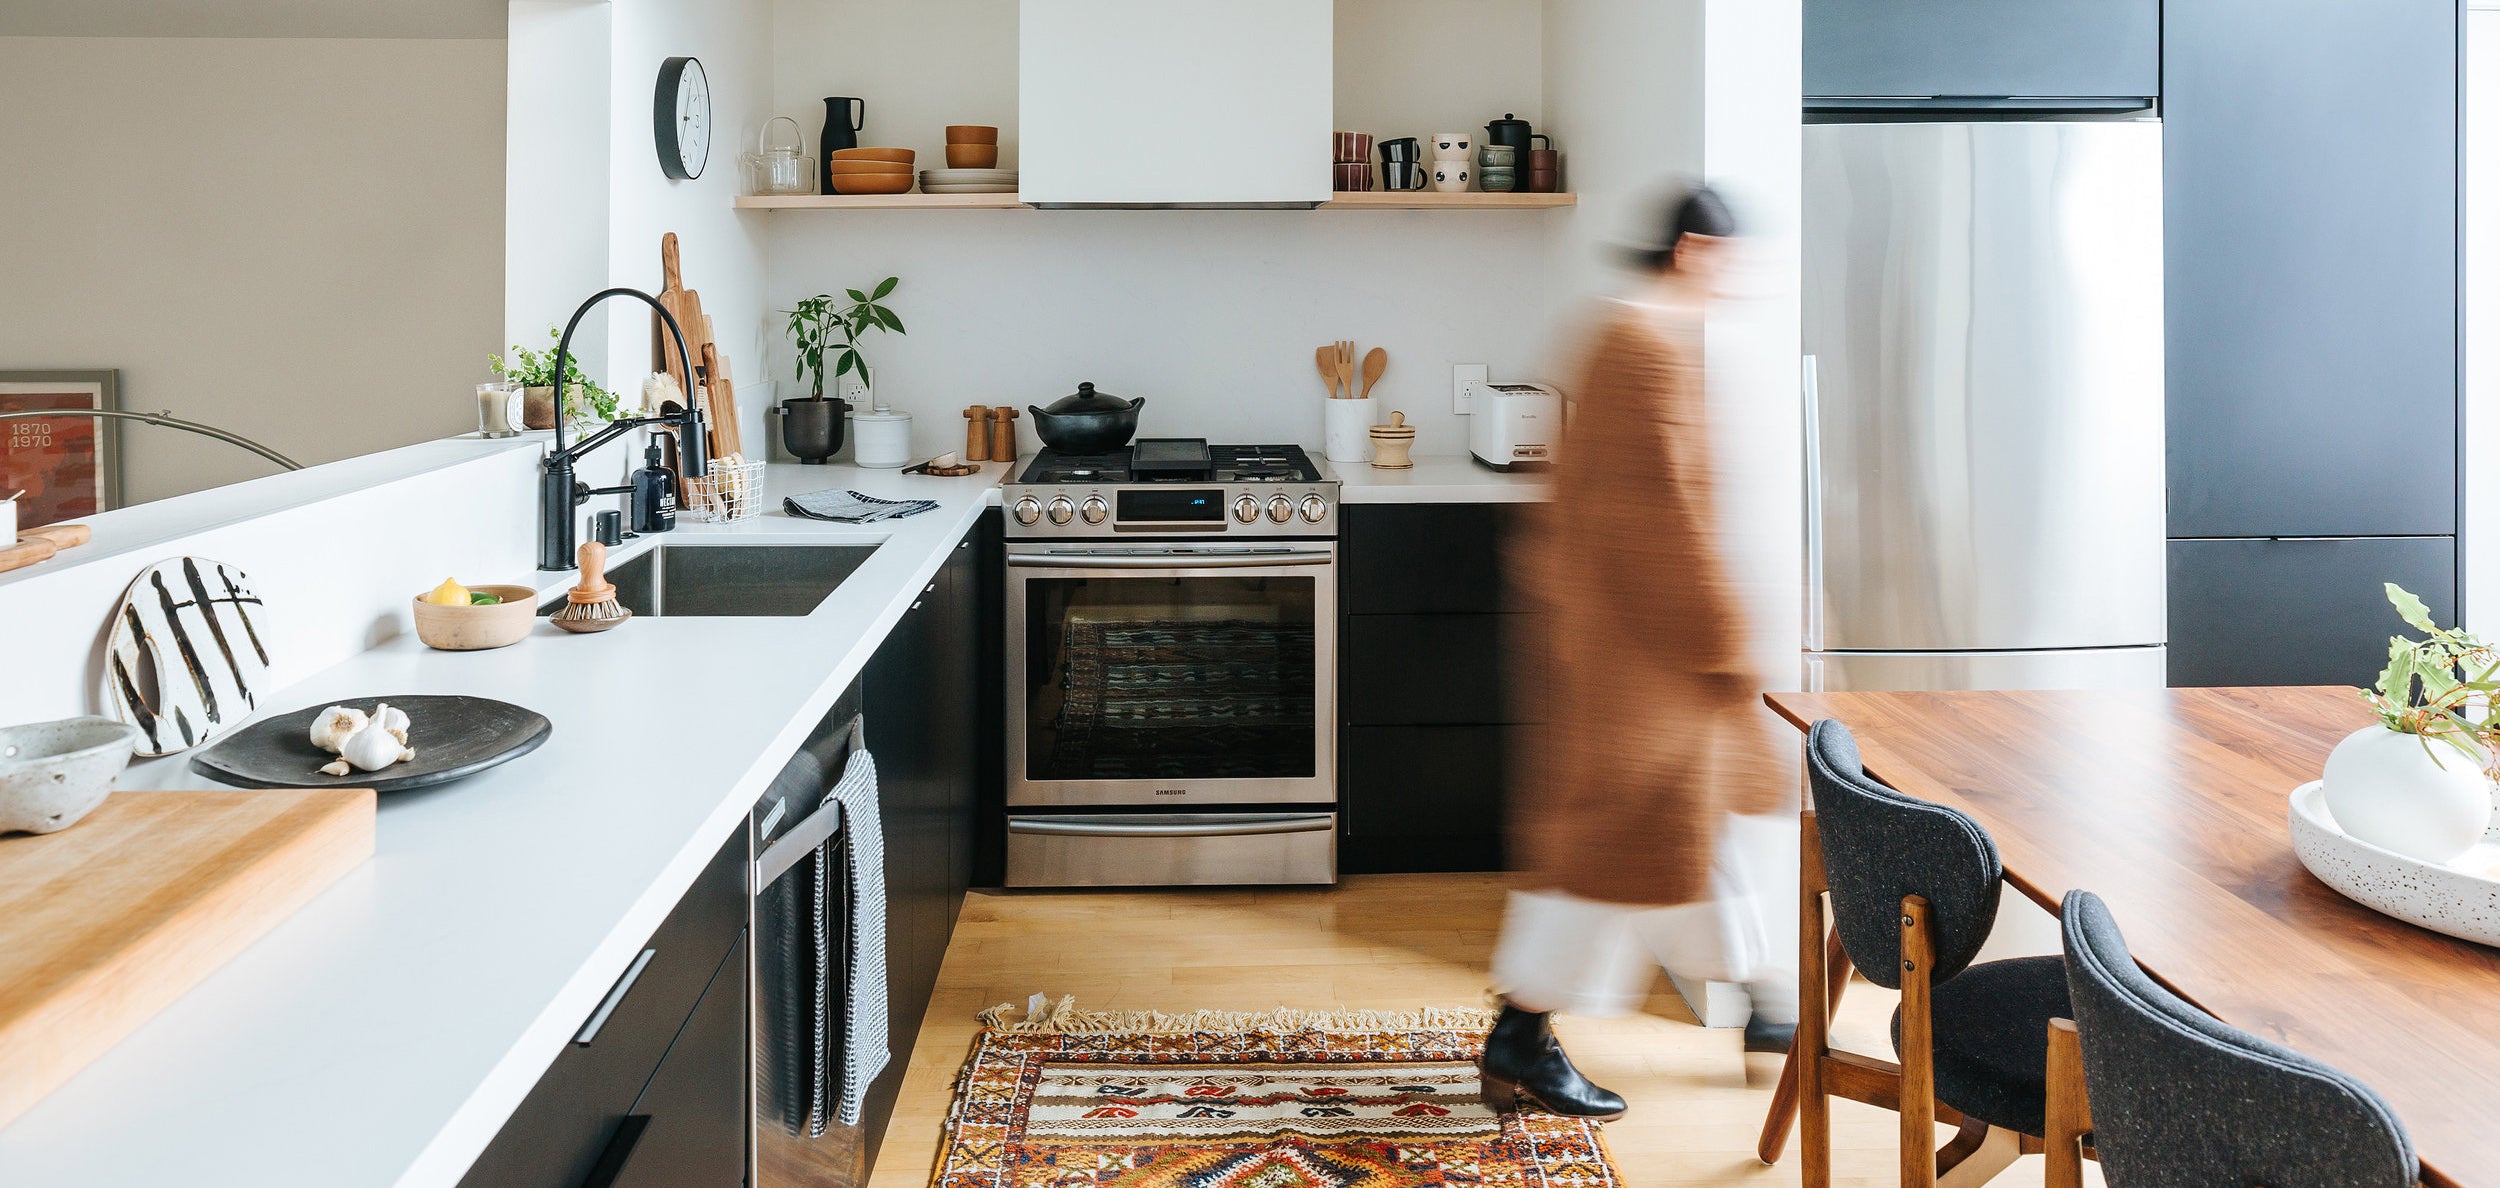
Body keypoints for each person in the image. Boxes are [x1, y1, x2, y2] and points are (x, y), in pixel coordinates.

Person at [1479, 185, 1798, 1120]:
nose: (1740, 280)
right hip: (1641, 663)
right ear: (1693, 250)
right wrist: (1726, 642)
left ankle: (1768, 1003)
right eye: (1732, 260)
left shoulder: (1631, 337)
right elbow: (1661, 524)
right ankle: (1521, 1036)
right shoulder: (1645, 350)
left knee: (1672, 841)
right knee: (1613, 854)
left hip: (1632, 654)